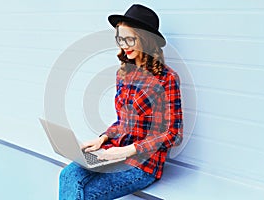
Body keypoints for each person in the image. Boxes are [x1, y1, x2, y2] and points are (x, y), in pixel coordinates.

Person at [59, 4, 183, 200]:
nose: (123, 45)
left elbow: (173, 134)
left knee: (86, 194)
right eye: (120, 38)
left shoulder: (167, 79)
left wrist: (125, 151)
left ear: (146, 40)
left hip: (143, 164)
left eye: (129, 39)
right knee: (68, 175)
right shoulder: (123, 74)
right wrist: (103, 139)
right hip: (112, 152)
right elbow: (123, 122)